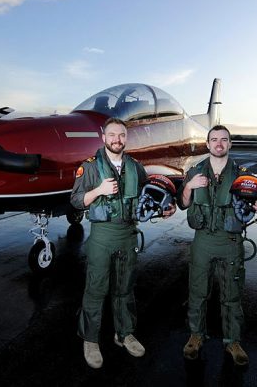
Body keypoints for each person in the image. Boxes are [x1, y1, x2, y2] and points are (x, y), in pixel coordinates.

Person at [70, 117, 176, 369]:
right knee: (96, 289)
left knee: (125, 288)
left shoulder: (136, 167)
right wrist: (98, 191)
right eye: (112, 135)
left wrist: (164, 210)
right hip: (102, 236)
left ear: (126, 138)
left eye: (122, 136)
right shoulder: (90, 167)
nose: (117, 140)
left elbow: (144, 198)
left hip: (128, 234)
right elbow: (75, 200)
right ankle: (90, 339)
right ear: (103, 138)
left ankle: (124, 333)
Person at [177, 125, 257, 366]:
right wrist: (189, 187)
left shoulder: (243, 175)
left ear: (230, 145)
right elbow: (182, 203)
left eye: (224, 140)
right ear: (207, 145)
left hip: (231, 241)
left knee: (232, 294)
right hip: (202, 241)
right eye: (214, 140)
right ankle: (196, 336)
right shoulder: (194, 172)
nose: (219, 144)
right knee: (197, 292)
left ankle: (232, 340)